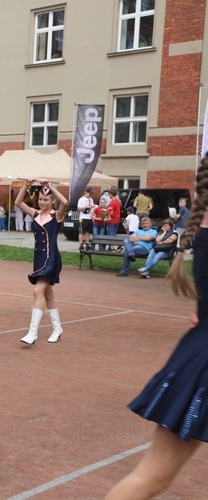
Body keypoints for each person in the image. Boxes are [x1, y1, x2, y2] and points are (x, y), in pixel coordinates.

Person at [105, 162, 208, 500]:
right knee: (151, 477)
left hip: (197, 354)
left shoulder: (202, 225)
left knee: (150, 477)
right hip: (201, 359)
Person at [15, 179, 69, 344]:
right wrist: (26, 185)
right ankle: (57, 328)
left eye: (46, 199)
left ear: (52, 201)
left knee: (37, 291)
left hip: (51, 259)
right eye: (40, 199)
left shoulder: (56, 215)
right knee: (48, 294)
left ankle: (33, 333)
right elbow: (18, 202)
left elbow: (65, 202)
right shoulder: (35, 213)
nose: (42, 202)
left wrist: (50, 186)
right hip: (38, 259)